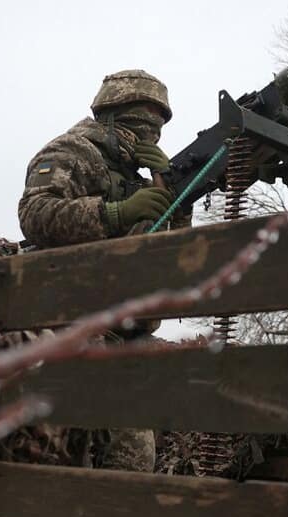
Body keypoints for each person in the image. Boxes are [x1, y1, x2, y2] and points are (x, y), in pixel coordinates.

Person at [17, 69, 186, 473]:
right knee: (75, 456)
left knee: (130, 462)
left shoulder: (140, 177)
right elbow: (34, 213)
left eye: (156, 129)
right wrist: (114, 213)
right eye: (138, 125)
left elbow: (173, 255)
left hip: (123, 335)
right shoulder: (73, 151)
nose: (148, 136)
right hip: (67, 324)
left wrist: (175, 194)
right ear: (109, 117)